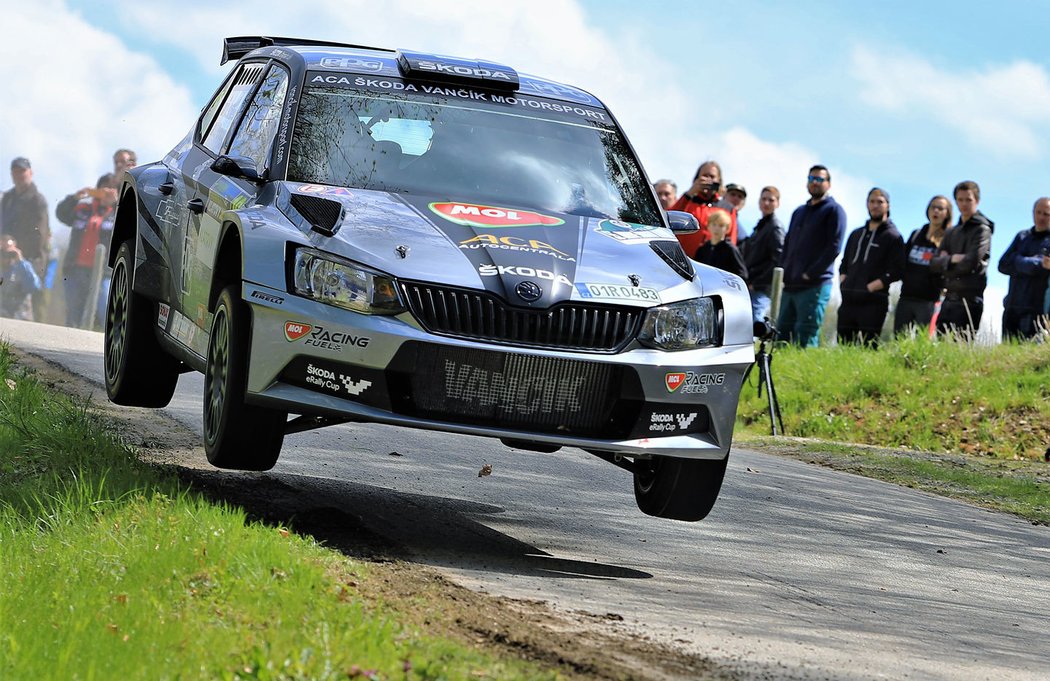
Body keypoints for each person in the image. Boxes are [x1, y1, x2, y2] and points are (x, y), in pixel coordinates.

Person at [776, 165, 847, 348]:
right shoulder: (799, 211)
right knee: (781, 336)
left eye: (820, 179)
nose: (815, 183)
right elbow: (788, 243)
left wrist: (810, 273)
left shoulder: (834, 210)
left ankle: (803, 376)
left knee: (805, 337)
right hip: (790, 285)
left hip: (814, 285)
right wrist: (785, 270)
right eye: (811, 179)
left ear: (828, 184)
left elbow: (834, 247)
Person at [836, 188, 904, 347]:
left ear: (888, 205)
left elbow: (897, 270)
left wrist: (871, 287)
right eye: (872, 201)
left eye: (880, 202)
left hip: (874, 303)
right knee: (843, 348)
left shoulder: (894, 236)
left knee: (869, 349)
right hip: (848, 300)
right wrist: (844, 282)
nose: (875, 205)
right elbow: (844, 263)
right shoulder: (856, 234)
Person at [931, 180, 993, 339]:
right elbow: (933, 263)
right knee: (939, 351)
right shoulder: (952, 232)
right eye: (960, 200)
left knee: (962, 350)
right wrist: (953, 259)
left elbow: (971, 263)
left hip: (969, 301)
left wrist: (946, 261)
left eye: (968, 199)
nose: (964, 204)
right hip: (949, 298)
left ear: (977, 201)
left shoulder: (983, 230)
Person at [56, 174, 118, 328]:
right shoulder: (84, 207)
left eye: (112, 187)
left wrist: (116, 204)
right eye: (104, 186)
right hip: (75, 269)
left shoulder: (118, 213)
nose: (107, 190)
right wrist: (75, 197)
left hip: (103, 273)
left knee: (105, 310)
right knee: (73, 314)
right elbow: (62, 214)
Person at [894, 196, 952, 335]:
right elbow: (903, 261)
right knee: (899, 341)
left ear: (947, 213)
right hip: (906, 296)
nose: (936, 211)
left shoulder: (949, 238)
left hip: (929, 301)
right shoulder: (916, 234)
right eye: (933, 207)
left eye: (940, 208)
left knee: (923, 343)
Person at [0, 157, 50, 321]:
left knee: (34, 303)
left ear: (30, 173)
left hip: (31, 259)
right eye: (15, 171)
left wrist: (18, 254)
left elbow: (40, 236)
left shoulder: (37, 200)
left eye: (22, 171)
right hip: (5, 258)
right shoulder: (7, 198)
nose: (19, 175)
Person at [996, 197, 1050, 340]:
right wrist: (1035, 263)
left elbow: (1045, 266)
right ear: (1033, 213)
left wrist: (1017, 260)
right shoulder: (1022, 236)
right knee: (1006, 354)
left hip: (1036, 311)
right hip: (1012, 307)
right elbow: (1002, 265)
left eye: (1046, 214)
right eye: (1039, 212)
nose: (1041, 217)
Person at [667, 160, 739, 255]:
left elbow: (731, 239)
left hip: (711, 263)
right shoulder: (687, 201)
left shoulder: (727, 208)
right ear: (696, 179)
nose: (708, 180)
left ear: (719, 181)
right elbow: (667, 220)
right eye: (705, 176)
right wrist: (690, 192)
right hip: (682, 260)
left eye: (712, 177)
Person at [739, 186, 785, 322]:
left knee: (755, 323)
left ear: (777, 203)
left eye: (771, 200)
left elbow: (779, 260)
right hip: (751, 284)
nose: (766, 203)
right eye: (764, 199)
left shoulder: (775, 227)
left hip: (762, 288)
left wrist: (758, 283)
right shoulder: (760, 227)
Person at [694, 210, 747, 279]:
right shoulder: (702, 249)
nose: (717, 228)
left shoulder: (730, 249)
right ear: (708, 226)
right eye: (714, 224)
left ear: (727, 229)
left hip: (722, 289)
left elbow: (742, 274)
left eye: (721, 225)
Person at [0, 237, 42, 320]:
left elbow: (35, 287)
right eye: (2, 252)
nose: (5, 257)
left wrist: (20, 261)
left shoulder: (22, 268)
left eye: (9, 253)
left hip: (20, 318)